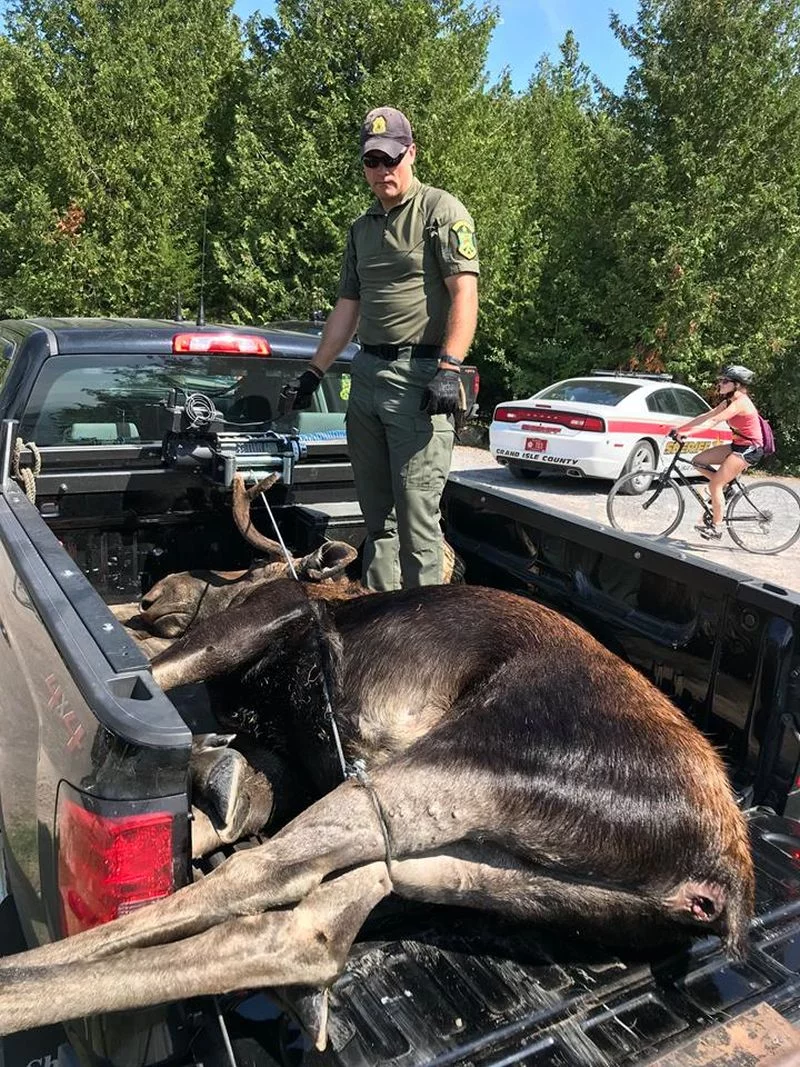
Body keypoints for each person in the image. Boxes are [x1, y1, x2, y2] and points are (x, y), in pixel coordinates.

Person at [279, 106, 479, 590]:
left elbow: (465, 293)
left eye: (391, 158)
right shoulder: (361, 228)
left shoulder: (440, 212)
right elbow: (347, 307)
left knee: (417, 521)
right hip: (366, 377)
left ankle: (429, 643)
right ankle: (382, 623)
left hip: (422, 379)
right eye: (372, 161)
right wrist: (314, 371)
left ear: (411, 154)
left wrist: (449, 367)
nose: (382, 170)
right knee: (377, 521)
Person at [673, 364, 764, 540]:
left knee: (714, 485)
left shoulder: (740, 403)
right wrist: (680, 429)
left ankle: (716, 528)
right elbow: (706, 416)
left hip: (749, 449)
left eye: (724, 381)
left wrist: (688, 434)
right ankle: (726, 486)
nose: (720, 384)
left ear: (736, 384)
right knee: (698, 460)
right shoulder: (728, 402)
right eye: (720, 380)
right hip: (737, 446)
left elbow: (714, 421)